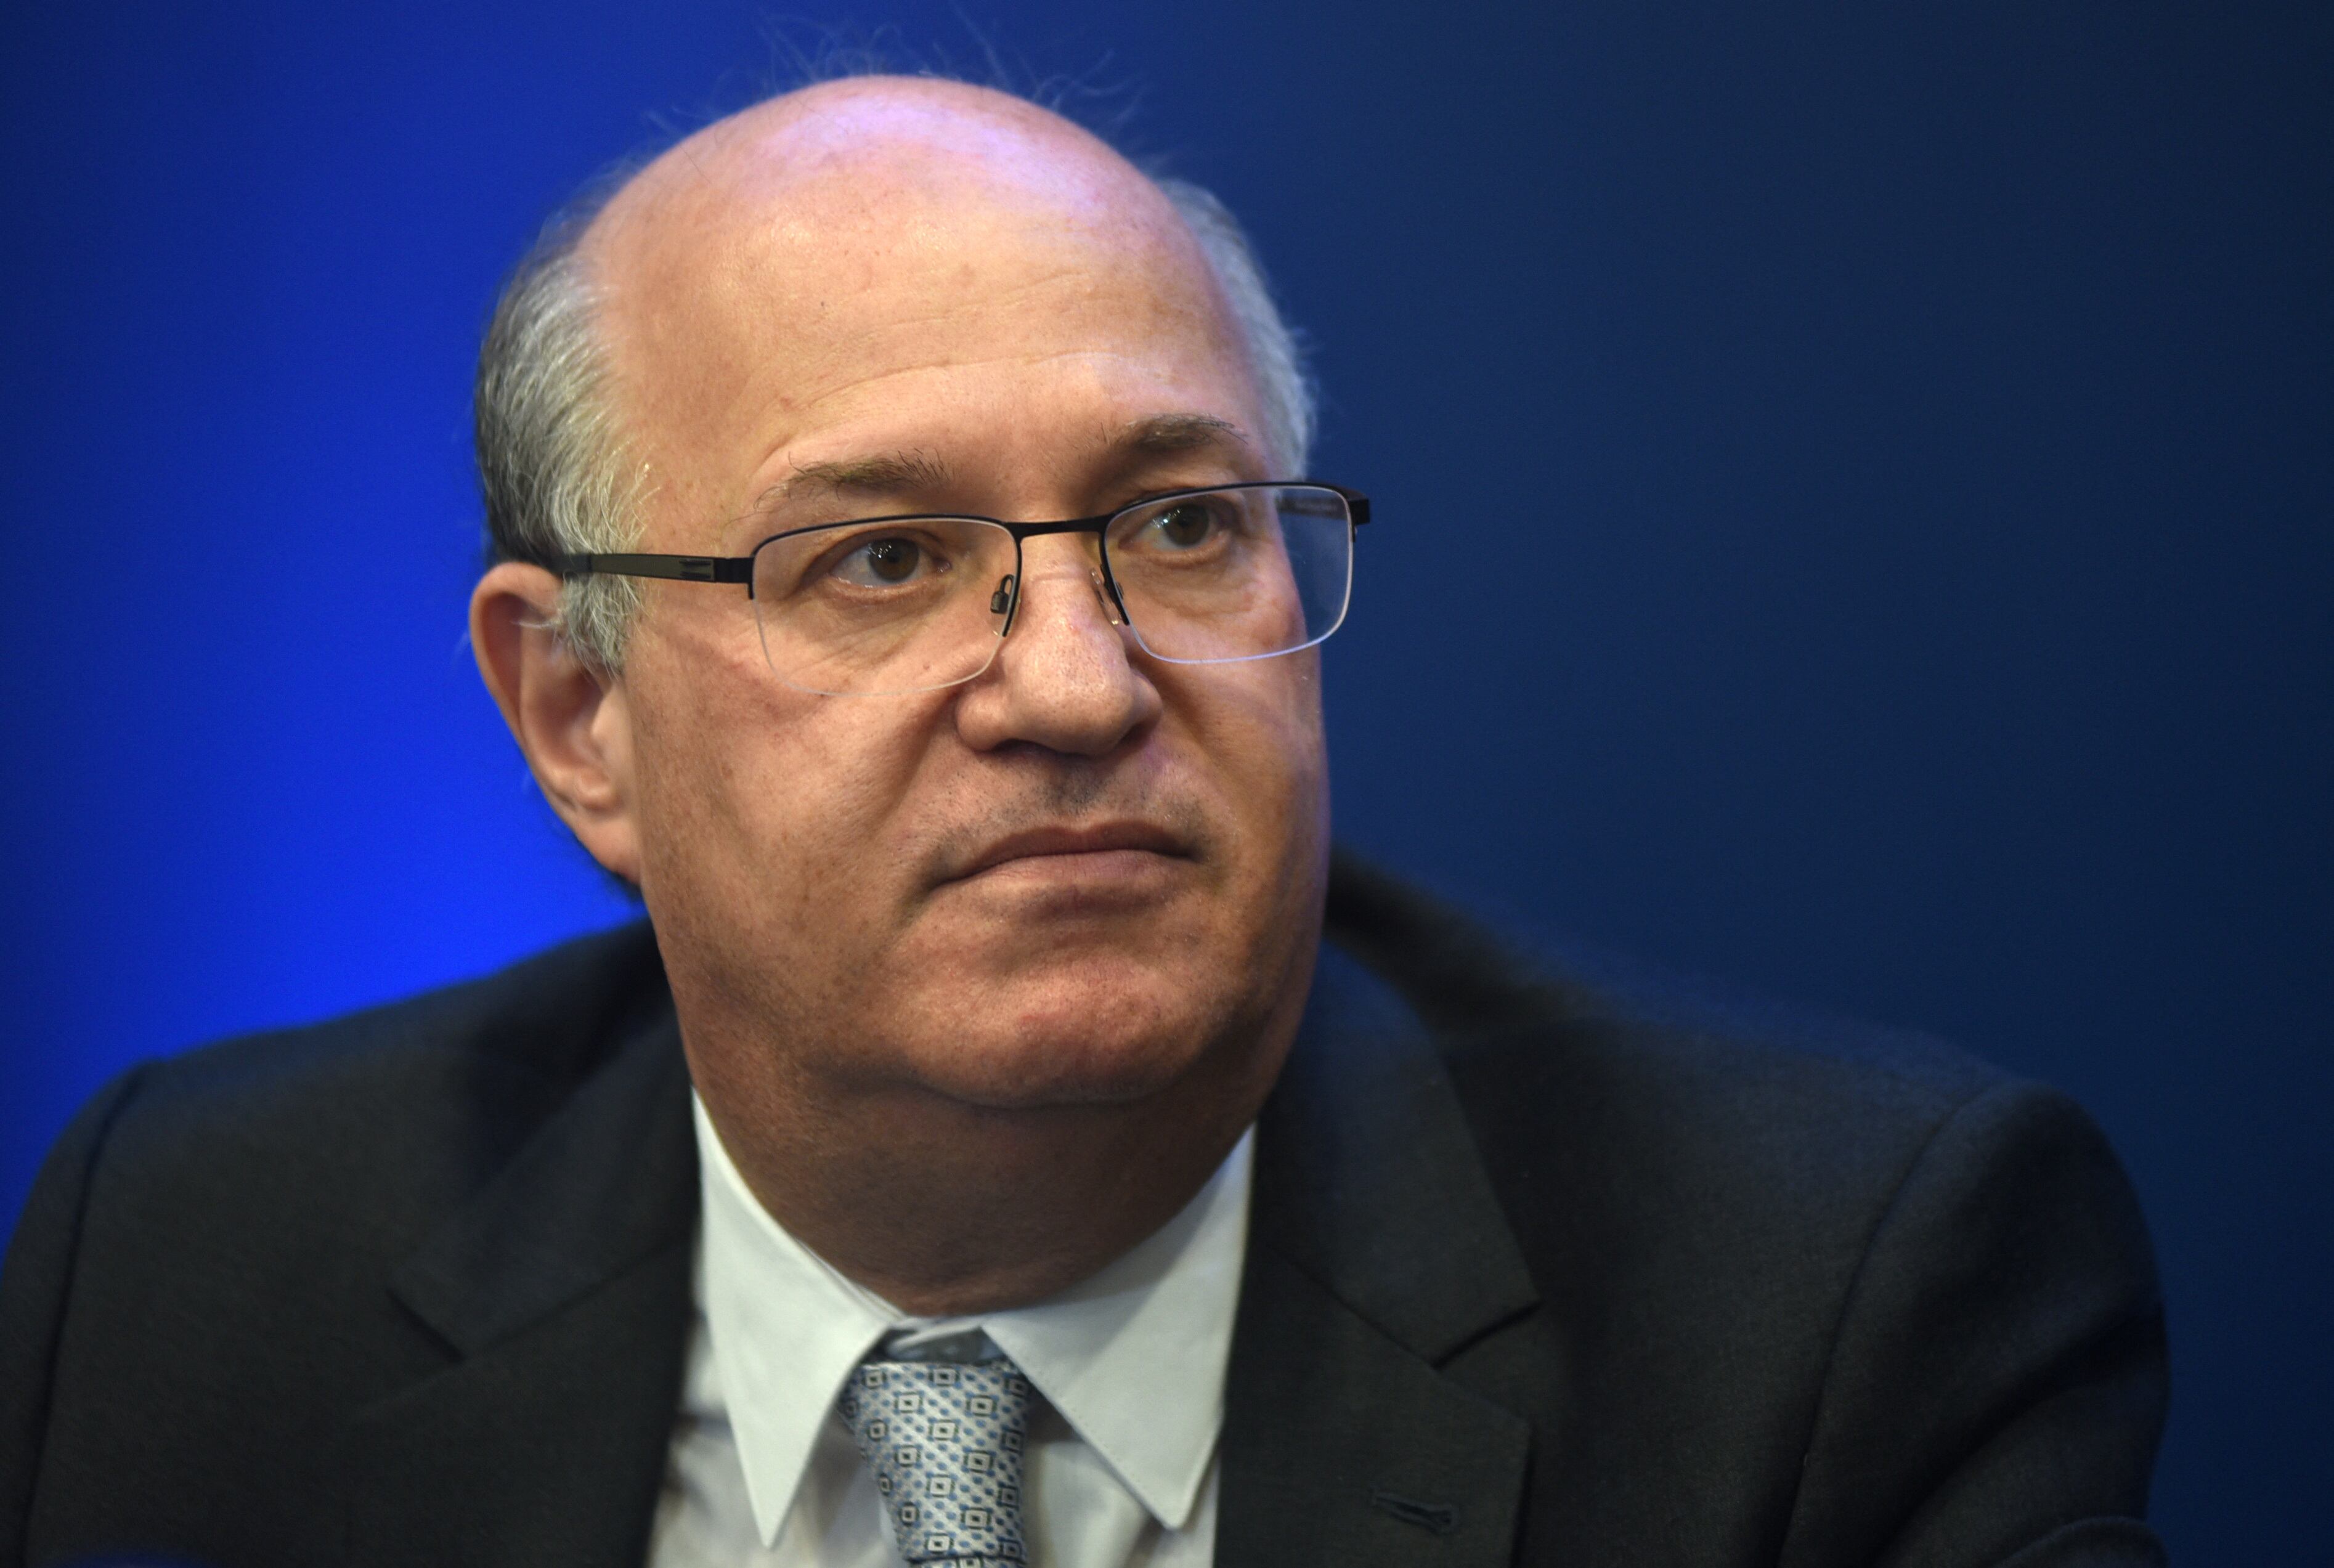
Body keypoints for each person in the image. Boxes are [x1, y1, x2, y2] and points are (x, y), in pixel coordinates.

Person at [0, 73, 2166, 1568]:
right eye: (880, 560)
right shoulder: (188, 1260)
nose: (1073, 682)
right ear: (579, 712)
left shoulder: (1835, 1312)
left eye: (1179, 523)